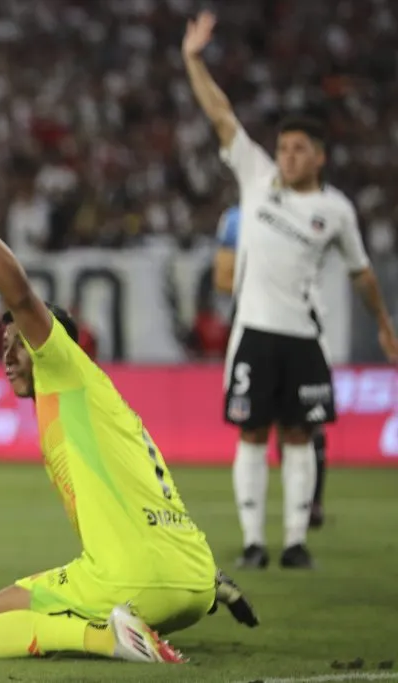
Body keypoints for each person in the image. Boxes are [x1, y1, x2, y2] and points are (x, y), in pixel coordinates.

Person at [0, 240, 258, 663]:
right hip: (196, 577)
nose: (7, 357)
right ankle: (118, 626)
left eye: (19, 343)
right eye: (3, 346)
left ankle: (107, 637)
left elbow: (20, 293)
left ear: (49, 343)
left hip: (134, 578)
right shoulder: (97, 405)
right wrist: (212, 578)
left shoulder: (65, 369)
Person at [183, 11, 398, 569]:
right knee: (252, 433)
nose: (287, 156)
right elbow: (222, 116)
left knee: (300, 435)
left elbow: (362, 273)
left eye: (299, 149)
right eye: (283, 148)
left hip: (305, 335)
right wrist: (192, 60)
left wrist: (381, 323)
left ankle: (296, 542)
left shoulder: (335, 211)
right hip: (253, 333)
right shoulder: (256, 179)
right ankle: (255, 543)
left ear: (320, 157)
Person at [215, 206, 328, 529]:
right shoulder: (236, 217)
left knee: (305, 421)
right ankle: (255, 536)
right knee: (254, 424)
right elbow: (222, 278)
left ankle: (310, 505)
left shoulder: (312, 211)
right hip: (254, 329)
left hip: (302, 326)